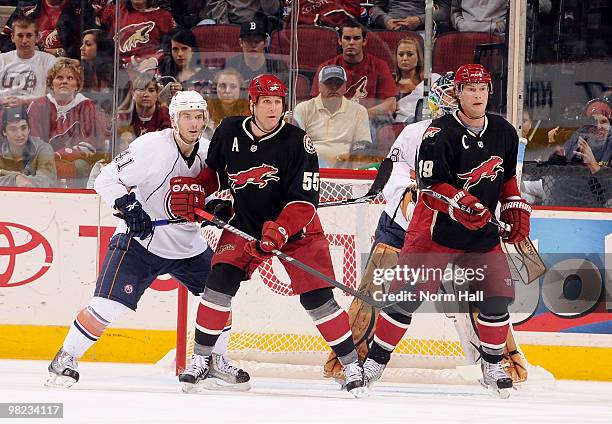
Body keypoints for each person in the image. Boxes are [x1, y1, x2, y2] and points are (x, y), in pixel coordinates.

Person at [169, 74, 368, 397]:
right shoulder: (229, 131)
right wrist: (201, 193)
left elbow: (305, 202)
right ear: (253, 104)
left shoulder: (297, 141)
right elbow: (216, 175)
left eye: (278, 102)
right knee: (218, 283)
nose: (273, 108)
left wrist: (280, 229)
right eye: (267, 102)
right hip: (246, 225)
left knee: (318, 300)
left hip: (297, 230)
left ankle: (351, 364)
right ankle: (201, 360)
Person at [47, 90, 250, 391]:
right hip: (141, 241)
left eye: (199, 116)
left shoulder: (209, 152)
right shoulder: (151, 147)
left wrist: (214, 208)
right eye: (187, 116)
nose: (194, 123)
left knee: (219, 298)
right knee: (107, 306)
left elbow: (209, 196)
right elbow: (104, 180)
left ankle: (215, 361)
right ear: (174, 119)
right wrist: (129, 207)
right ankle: (65, 359)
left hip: (187, 246)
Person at [362, 64, 532, 397]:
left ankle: (492, 364)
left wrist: (513, 205)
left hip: (480, 232)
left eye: (483, 88)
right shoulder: (437, 133)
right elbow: (430, 186)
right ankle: (376, 360)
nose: (478, 94)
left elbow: (507, 178)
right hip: (435, 230)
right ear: (458, 93)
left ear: (489, 91)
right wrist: (461, 202)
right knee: (404, 299)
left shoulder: (504, 131)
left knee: (497, 299)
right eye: (470, 88)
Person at [27, 58, 108, 182]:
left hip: (71, 163)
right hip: (41, 163)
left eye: (70, 78)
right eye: (59, 77)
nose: (64, 82)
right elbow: (32, 142)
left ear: (77, 85)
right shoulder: (38, 105)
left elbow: (90, 145)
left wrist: (57, 155)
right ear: (51, 83)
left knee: (81, 166)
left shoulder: (87, 106)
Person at [311, 19, 397, 121]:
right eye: (347, 38)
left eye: (356, 38)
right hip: (334, 120)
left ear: (364, 41)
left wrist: (360, 115)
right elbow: (316, 103)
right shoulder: (326, 68)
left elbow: (390, 104)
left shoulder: (379, 66)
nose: (351, 43)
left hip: (368, 120)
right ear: (339, 40)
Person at [294, 64, 372, 168]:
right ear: (319, 86)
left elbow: (362, 147)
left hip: (345, 173)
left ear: (345, 86)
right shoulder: (303, 109)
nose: (334, 88)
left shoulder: (359, 111)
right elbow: (296, 146)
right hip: (311, 170)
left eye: (338, 83)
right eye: (329, 83)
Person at [0, 0, 96, 59]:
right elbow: (5, 40)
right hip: (28, 61)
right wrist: (29, 51)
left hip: (65, 64)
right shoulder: (27, 5)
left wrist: (61, 52)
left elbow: (94, 43)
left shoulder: (82, 7)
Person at [0, 16, 57, 108]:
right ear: (12, 37)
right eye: (20, 35)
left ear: (37, 37)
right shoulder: (2, 60)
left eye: (29, 35)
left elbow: (55, 96)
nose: (24, 41)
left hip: (35, 113)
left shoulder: (49, 61)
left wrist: (25, 102)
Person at [100, 0, 176, 69]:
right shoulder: (114, 12)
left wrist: (154, 60)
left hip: (150, 70)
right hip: (118, 71)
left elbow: (170, 47)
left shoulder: (163, 17)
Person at [0, 106, 57, 187]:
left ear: (29, 129)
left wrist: (14, 177)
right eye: (13, 129)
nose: (20, 134)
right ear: (4, 132)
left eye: (23, 128)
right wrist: (15, 179)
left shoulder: (43, 149)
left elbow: (45, 182)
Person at [224, 19, 289, 86]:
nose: (253, 45)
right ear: (241, 42)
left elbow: (283, 93)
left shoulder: (278, 67)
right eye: (249, 41)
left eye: (257, 41)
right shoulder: (231, 65)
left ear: (265, 42)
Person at [158, 28, 216, 103]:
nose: (179, 54)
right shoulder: (164, 73)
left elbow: (207, 104)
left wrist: (183, 92)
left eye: (184, 49)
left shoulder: (206, 76)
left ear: (192, 50)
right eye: (175, 49)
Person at [393, 36, 440, 124]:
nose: (405, 58)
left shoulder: (431, 80)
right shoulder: (390, 83)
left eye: (410, 54)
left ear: (418, 57)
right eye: (401, 54)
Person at [117, 75, 171, 147]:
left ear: (157, 94)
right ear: (132, 93)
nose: (146, 94)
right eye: (141, 89)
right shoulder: (123, 116)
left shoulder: (166, 115)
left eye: (151, 90)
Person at [80, 29, 114, 113]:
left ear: (100, 48)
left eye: (88, 44)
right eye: (82, 44)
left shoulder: (117, 73)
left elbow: (122, 107)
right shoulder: (82, 70)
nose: (82, 48)